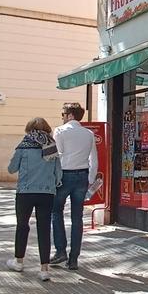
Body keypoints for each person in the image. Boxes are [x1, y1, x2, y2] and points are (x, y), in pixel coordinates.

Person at [6, 117, 62, 281]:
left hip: (25, 192)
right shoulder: (52, 146)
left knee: (22, 226)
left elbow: (11, 169)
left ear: (29, 130)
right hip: (46, 193)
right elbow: (58, 174)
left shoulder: (24, 146)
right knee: (44, 228)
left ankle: (19, 261)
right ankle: (44, 268)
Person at [53, 102, 97, 270]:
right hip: (82, 175)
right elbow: (94, 159)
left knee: (56, 212)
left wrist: (55, 177)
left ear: (70, 115)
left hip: (64, 175)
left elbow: (57, 155)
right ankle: (73, 259)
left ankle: (60, 250)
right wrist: (90, 179)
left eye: (63, 114)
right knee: (77, 218)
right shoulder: (88, 134)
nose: (62, 117)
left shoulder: (60, 131)